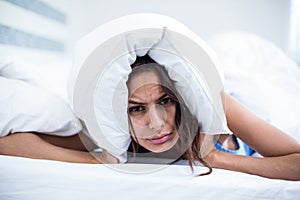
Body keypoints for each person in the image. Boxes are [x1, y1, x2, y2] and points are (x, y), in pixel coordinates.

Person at [0, 54, 299, 181]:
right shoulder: (116, 128)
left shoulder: (215, 105)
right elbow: (11, 143)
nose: (155, 123)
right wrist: (99, 160)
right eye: (136, 108)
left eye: (165, 101)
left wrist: (216, 159)